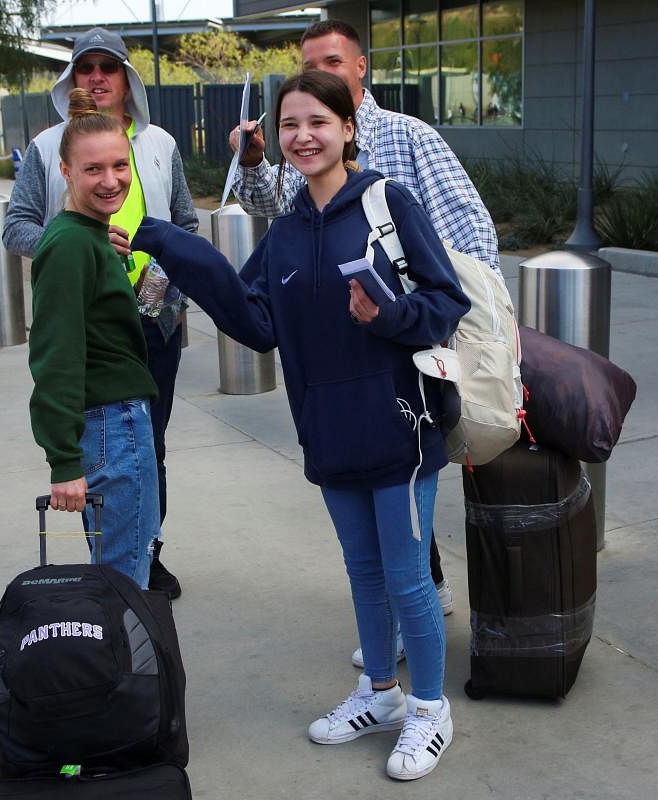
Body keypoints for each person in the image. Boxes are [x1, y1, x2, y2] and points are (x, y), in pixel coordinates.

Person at [134, 70, 469, 781]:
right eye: (289, 125)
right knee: (363, 574)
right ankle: (380, 694)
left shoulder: (387, 202)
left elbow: (446, 300)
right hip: (326, 429)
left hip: (399, 425)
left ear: (349, 128)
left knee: (408, 580)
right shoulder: (285, 232)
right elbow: (256, 324)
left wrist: (390, 316)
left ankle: (430, 709)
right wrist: (172, 247)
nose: (302, 136)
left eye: (317, 121)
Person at [229, 19, 501, 663]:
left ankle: (424, 649)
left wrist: (423, 313)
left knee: (406, 520)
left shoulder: (406, 142)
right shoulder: (304, 154)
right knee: (374, 551)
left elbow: (468, 231)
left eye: (332, 61)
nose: (304, 132)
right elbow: (276, 214)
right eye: (307, 63)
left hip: (406, 356)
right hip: (338, 376)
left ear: (361, 69)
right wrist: (249, 161)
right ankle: (390, 663)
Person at [4, 27, 196, 597]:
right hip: (94, 340)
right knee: (118, 550)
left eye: (107, 67)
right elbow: (56, 356)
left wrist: (158, 286)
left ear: (125, 79)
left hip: (150, 321)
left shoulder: (158, 143)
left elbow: (183, 226)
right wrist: (83, 256)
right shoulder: (49, 157)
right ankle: (122, 599)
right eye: (84, 66)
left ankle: (143, 551)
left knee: (147, 452)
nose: (95, 77)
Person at [28, 88, 161, 590]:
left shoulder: (88, 236)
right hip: (111, 423)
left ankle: (123, 665)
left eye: (120, 165)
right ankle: (121, 670)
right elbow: (55, 355)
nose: (111, 181)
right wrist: (63, 460)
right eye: (93, 170)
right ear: (65, 171)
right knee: (123, 579)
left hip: (119, 420)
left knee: (126, 566)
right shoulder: (69, 245)